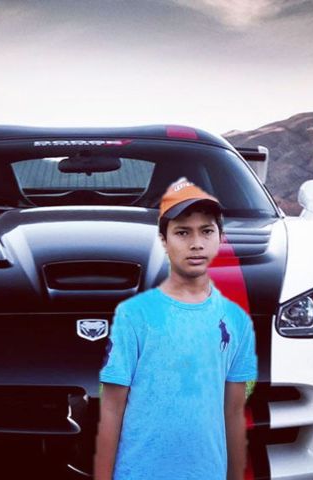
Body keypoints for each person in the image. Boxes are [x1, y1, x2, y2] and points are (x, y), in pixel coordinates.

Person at [93, 178, 258, 480]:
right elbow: (112, 409)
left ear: (220, 237)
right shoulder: (135, 314)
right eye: (182, 232)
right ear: (164, 240)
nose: (196, 243)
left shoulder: (236, 321)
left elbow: (234, 412)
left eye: (206, 231)